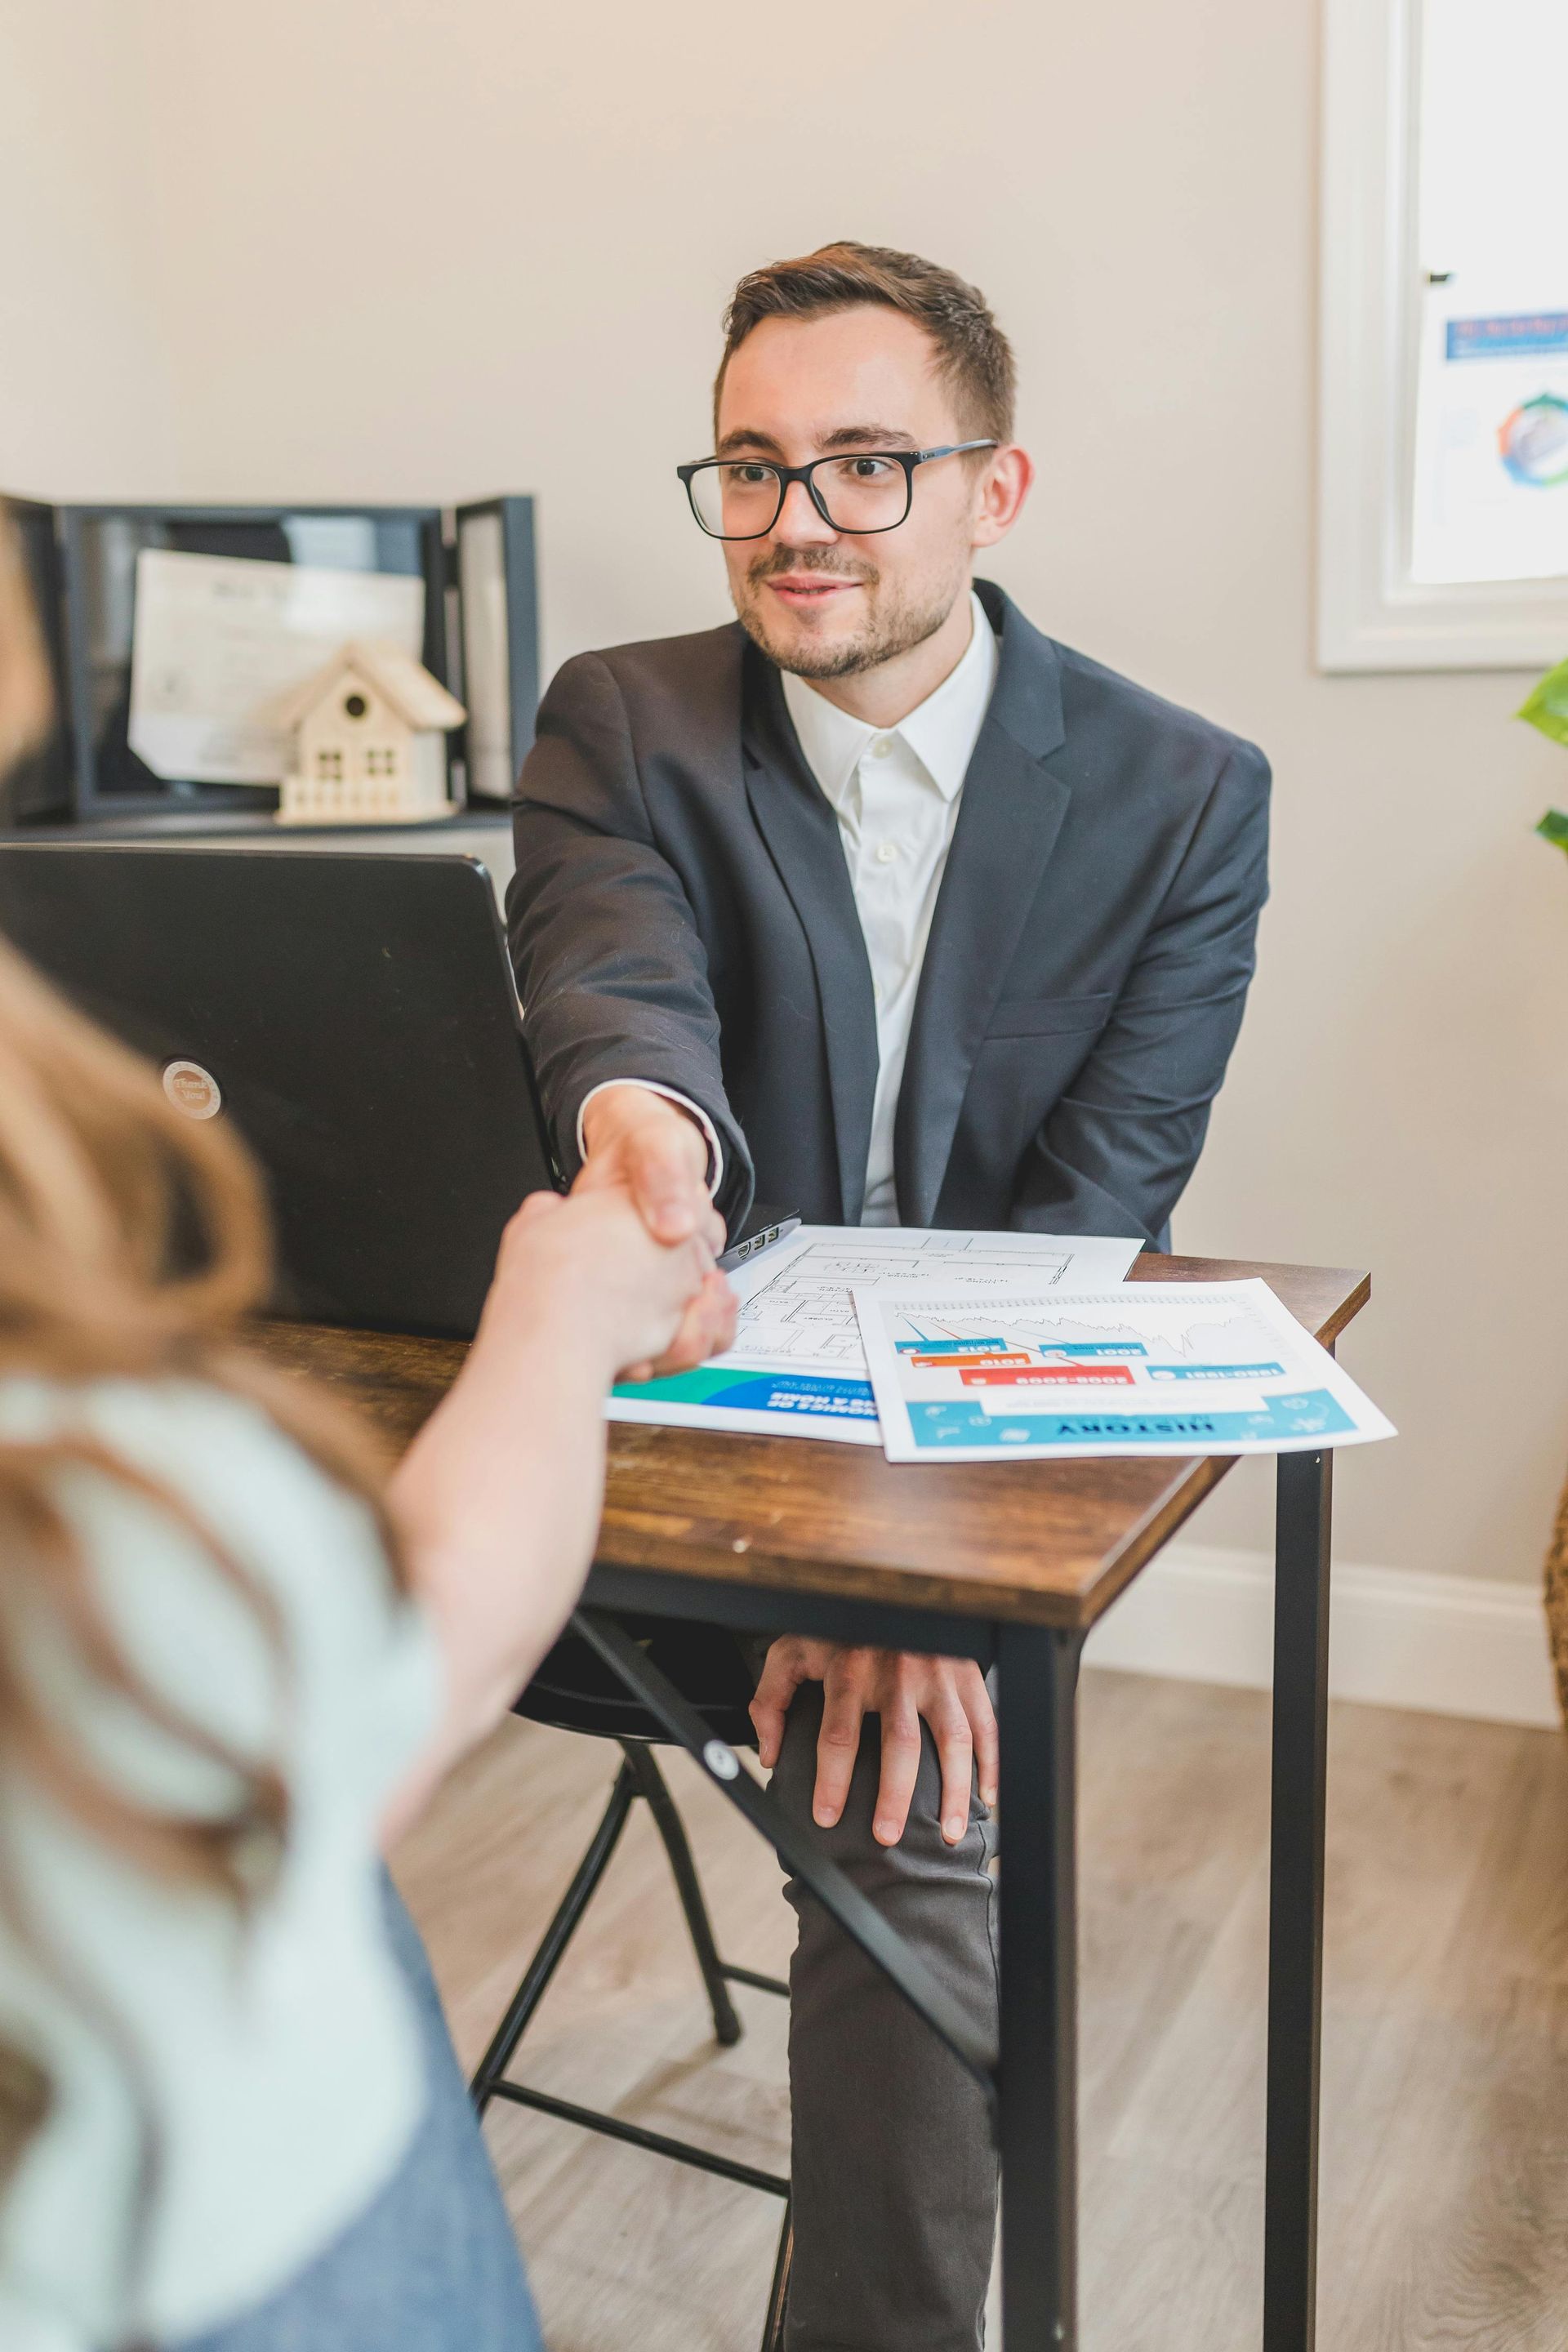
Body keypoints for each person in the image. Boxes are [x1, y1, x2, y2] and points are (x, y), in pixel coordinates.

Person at [507, 240, 1272, 2350]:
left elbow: (1084, 1225)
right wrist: (640, 1142)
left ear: (991, 494)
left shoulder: (1184, 799)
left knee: (923, 1811)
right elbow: (612, 987)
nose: (798, 523)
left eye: (865, 464)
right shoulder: (630, 722)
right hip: (637, 1451)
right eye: (751, 468)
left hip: (926, 1463)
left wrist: (897, 1561)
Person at [0, 509, 737, 2352]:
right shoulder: (622, 725)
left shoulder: (1175, 779)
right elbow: (385, 1683)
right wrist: (564, 1308)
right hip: (194, 2249)